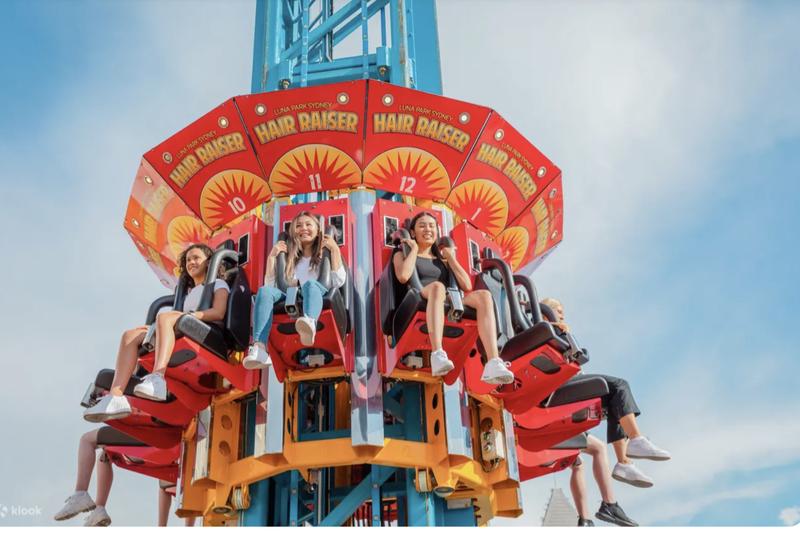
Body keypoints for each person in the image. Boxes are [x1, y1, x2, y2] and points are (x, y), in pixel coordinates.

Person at [83, 244, 229, 421]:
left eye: (196, 258)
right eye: (188, 260)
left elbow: (219, 312)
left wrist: (190, 316)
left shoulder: (218, 284)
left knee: (165, 317)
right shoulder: (188, 293)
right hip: (182, 325)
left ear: (209, 262)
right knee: (130, 335)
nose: (191, 262)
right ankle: (116, 397)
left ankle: (157, 378)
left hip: (206, 329)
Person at [541, 297, 671, 488]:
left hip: (566, 379)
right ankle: (636, 439)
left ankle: (624, 463)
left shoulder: (555, 331)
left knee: (614, 403)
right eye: (558, 310)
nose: (562, 314)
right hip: (559, 385)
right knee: (619, 385)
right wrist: (558, 330)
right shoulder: (544, 329)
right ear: (546, 311)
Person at [392, 212, 514, 384]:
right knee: (438, 287)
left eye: (431, 226)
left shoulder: (443, 259)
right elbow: (404, 276)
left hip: (447, 298)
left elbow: (466, 285)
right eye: (422, 226)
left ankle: (493, 361)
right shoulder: (401, 254)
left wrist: (450, 258)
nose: (427, 229)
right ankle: (437, 353)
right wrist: (412, 250)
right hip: (422, 294)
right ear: (412, 233)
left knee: (484, 296)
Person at [243, 212, 346, 369]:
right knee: (263, 291)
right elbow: (271, 285)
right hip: (292, 295)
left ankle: (310, 322)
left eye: (308, 225)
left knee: (310, 284)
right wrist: (272, 257)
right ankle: (260, 347)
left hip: (316, 293)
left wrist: (334, 250)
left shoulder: (324, 255)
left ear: (318, 230)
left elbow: (338, 281)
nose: (303, 228)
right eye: (298, 226)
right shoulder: (291, 259)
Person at [569, 434, 638, 527]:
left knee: (577, 465)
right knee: (599, 448)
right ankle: (610, 504)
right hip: (555, 430)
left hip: (545, 439)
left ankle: (585, 521)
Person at [54, 429, 114, 526]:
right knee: (103, 457)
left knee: (87, 440)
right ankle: (99, 510)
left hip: (140, 431)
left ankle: (81, 493)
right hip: (143, 437)